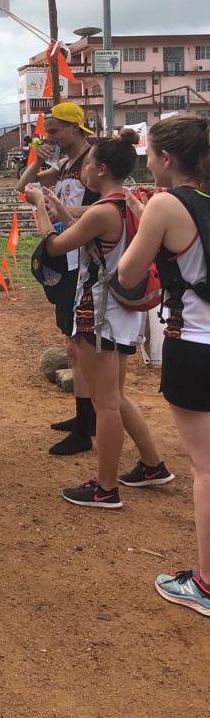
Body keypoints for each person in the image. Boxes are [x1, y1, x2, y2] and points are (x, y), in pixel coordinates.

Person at [26, 129, 171, 511]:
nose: (83, 170)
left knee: (105, 404)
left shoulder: (102, 211)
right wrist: (59, 207)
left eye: (88, 164)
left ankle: (105, 488)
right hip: (120, 312)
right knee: (116, 397)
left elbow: (54, 245)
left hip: (98, 313)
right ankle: (152, 464)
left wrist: (39, 205)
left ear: (101, 168)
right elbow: (85, 232)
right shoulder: (124, 202)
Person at [118, 115, 210, 615]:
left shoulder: (167, 204)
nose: (147, 161)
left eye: (150, 154)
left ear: (167, 159)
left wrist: (146, 219)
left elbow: (129, 272)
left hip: (194, 344)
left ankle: (206, 584)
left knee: (205, 469)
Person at [18, 102, 100, 456]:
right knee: (72, 343)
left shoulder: (92, 161)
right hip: (67, 257)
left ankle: (86, 426)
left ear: (75, 128)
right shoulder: (67, 163)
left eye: (54, 130)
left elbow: (107, 207)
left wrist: (58, 211)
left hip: (85, 259)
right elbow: (24, 187)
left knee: (80, 346)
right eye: (46, 130)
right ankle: (86, 417)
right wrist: (35, 162)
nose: (48, 136)